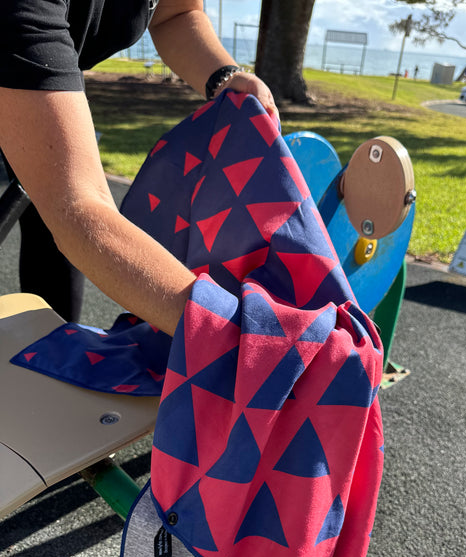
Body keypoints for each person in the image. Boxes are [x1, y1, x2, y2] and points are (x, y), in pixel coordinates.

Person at [0, 0, 277, 329]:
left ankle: (50, 355)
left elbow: (176, 12)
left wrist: (224, 75)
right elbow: (79, 207)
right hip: (15, 43)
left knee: (48, 234)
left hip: (28, 60)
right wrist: (230, 337)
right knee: (66, 214)